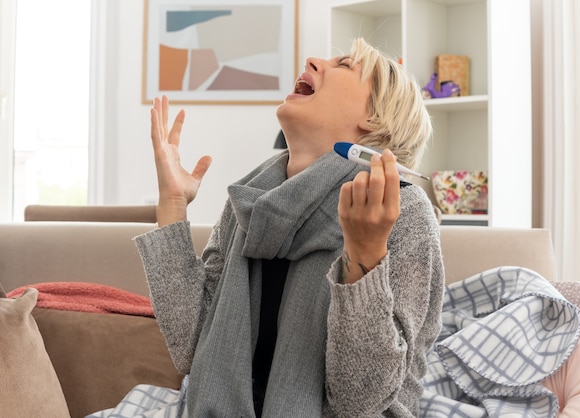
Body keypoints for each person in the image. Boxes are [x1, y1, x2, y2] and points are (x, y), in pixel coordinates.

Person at [93, 37, 444, 417]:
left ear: (374, 118)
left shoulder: (404, 212)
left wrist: (365, 256)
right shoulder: (247, 202)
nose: (313, 60)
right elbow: (193, 346)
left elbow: (360, 400)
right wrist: (172, 206)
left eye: (343, 65)